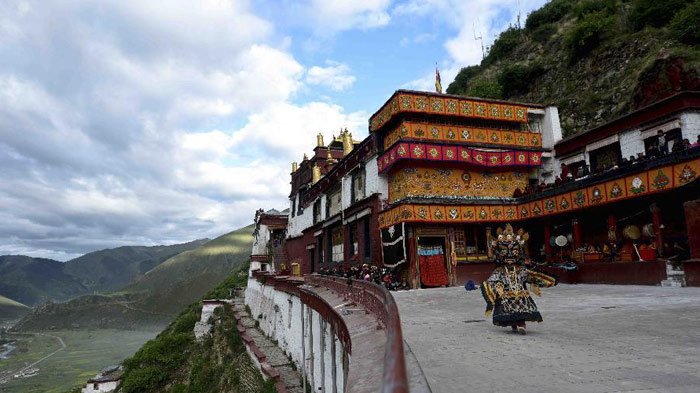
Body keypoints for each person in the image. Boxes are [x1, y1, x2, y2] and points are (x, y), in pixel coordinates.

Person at [481, 225, 557, 335]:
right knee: (507, 308)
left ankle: (521, 324)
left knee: (521, 307)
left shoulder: (521, 269)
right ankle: (513, 323)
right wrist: (493, 292)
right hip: (506, 293)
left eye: (514, 252)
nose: (510, 255)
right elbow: (490, 282)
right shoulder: (500, 271)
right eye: (504, 252)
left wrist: (547, 280)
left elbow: (531, 276)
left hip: (520, 292)